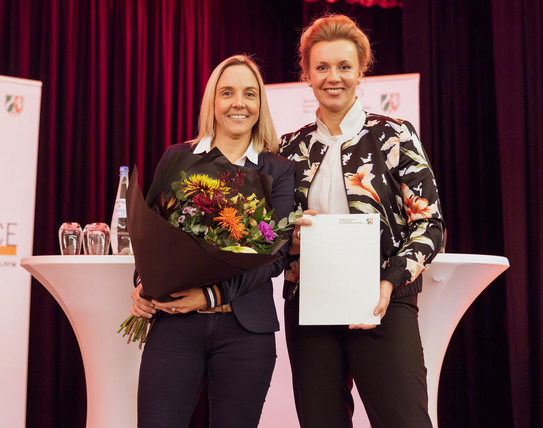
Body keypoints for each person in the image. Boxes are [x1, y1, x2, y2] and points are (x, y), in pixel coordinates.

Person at [278, 14, 445, 428]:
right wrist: (290, 238)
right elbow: (271, 235)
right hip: (310, 308)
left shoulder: (394, 135)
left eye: (344, 67)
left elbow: (430, 226)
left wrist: (389, 281)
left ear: (360, 72)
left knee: (404, 420)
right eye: (322, 67)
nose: (333, 77)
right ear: (307, 73)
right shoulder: (287, 148)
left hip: (382, 303)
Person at [130, 54, 295, 428]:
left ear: (259, 104)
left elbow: (274, 256)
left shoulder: (279, 170)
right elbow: (151, 233)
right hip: (174, 324)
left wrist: (210, 296)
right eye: (228, 93)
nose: (239, 103)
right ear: (212, 102)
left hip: (245, 332)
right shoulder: (178, 157)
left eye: (249, 94)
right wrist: (143, 284)